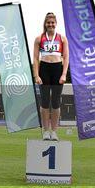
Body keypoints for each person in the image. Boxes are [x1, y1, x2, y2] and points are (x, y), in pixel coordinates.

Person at [33, 12, 69, 141]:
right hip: (44, 69)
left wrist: (64, 74)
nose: (50, 24)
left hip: (57, 69)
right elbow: (36, 58)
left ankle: (54, 131)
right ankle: (45, 131)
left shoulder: (62, 38)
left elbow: (66, 57)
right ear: (45, 24)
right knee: (44, 102)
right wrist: (36, 75)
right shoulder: (39, 39)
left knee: (55, 102)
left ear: (56, 24)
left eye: (52, 22)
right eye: (48, 22)